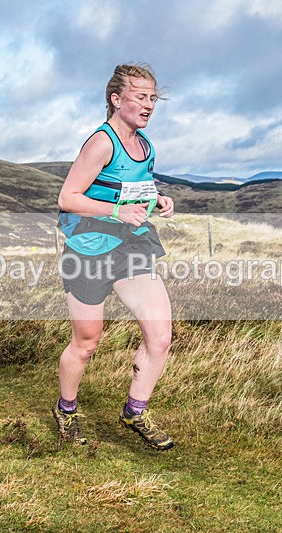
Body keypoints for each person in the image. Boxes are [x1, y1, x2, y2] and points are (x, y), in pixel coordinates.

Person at [54, 63, 175, 451]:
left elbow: (135, 186)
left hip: (130, 246)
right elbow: (68, 198)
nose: (149, 105)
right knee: (86, 343)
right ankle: (66, 410)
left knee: (160, 336)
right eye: (140, 97)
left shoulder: (145, 145)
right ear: (116, 99)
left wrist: (158, 199)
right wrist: (116, 211)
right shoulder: (101, 143)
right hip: (88, 251)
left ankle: (135, 411)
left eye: (153, 98)